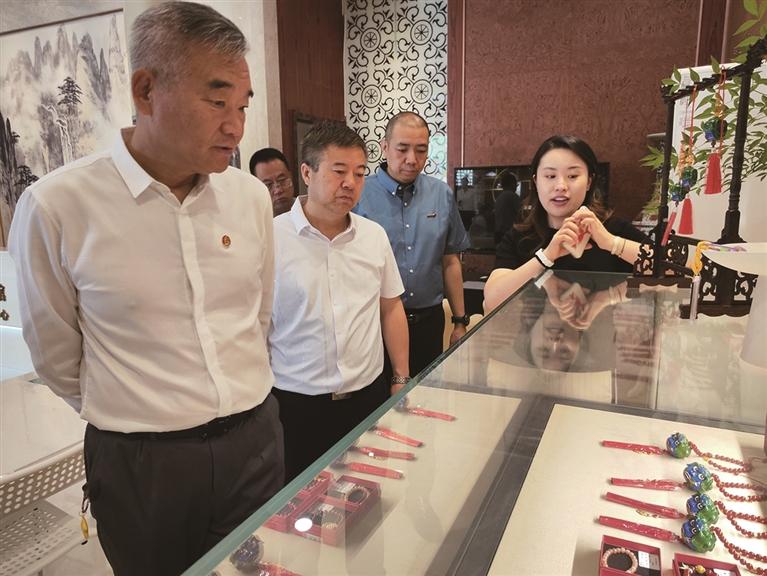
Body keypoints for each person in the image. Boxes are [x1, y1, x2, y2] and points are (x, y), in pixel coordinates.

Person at [8, 3, 283, 574]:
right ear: (145, 90)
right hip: (143, 466)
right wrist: (136, 411)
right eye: (217, 102)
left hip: (254, 443)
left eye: (242, 106)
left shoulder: (249, 197)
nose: (235, 126)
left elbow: (257, 316)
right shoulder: (58, 206)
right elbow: (55, 354)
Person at [269, 120, 410, 482]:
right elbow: (256, 323)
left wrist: (400, 377)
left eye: (359, 173)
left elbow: (390, 307)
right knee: (302, 502)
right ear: (307, 173)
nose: (351, 182)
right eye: (339, 171)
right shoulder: (271, 238)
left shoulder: (373, 236)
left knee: (371, 493)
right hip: (296, 405)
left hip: (367, 397)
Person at [355, 111, 471, 377]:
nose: (412, 159)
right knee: (381, 397)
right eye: (402, 149)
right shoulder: (360, 194)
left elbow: (450, 261)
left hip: (429, 322)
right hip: (375, 323)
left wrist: (459, 321)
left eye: (421, 150)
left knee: (426, 393)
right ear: (385, 147)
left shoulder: (441, 194)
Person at [484, 135, 650, 312]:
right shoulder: (519, 237)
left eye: (572, 176)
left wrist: (611, 243)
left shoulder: (613, 230)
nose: (561, 186)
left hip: (601, 330)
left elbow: (669, 268)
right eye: (550, 176)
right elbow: (492, 300)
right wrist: (546, 257)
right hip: (532, 331)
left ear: (589, 182)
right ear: (536, 182)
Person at [250, 147, 296, 216]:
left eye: (282, 180)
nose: (278, 191)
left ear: (291, 176)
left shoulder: (308, 213)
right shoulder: (253, 220)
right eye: (268, 185)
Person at [493, 169, 522, 244]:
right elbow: (520, 213)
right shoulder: (512, 196)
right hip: (508, 233)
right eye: (516, 184)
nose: (516, 186)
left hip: (498, 233)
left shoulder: (500, 197)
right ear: (512, 184)